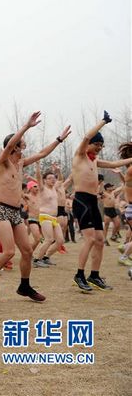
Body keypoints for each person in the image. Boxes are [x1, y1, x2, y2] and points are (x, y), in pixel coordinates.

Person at [0, 112, 71, 303]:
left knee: (27, 251)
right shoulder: (2, 162)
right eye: (22, 144)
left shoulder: (20, 164)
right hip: (1, 210)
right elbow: (11, 144)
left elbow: (43, 153)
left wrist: (59, 139)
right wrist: (26, 126)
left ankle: (24, 286)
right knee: (9, 251)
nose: (25, 146)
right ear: (14, 146)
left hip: (15, 212)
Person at [71, 112, 132, 292]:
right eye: (96, 144)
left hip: (92, 202)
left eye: (101, 145)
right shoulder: (80, 155)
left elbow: (114, 164)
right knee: (90, 239)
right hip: (81, 201)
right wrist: (103, 122)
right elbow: (87, 136)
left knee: (99, 240)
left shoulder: (95, 160)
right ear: (89, 145)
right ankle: (79, 275)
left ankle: (94, 275)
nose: (99, 148)